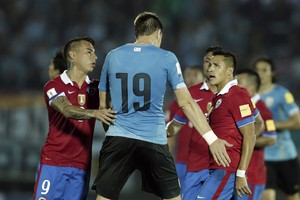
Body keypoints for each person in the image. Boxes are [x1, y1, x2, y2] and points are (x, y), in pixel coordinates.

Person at [92, 12, 231, 200]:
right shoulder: (167, 58)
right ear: (158, 34)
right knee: (173, 197)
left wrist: (113, 130)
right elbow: (186, 102)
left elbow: (103, 105)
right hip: (153, 139)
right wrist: (212, 139)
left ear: (136, 32)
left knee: (104, 197)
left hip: (118, 137)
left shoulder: (112, 56)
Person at [33, 36, 116, 200]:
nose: (95, 57)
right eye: (89, 52)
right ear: (73, 55)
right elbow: (66, 109)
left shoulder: (97, 89)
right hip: (53, 162)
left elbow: (108, 123)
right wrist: (94, 113)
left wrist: (108, 113)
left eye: (95, 53)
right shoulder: (54, 86)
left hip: (81, 167)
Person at [192, 50, 256, 199]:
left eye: (216, 65)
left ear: (229, 71)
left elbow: (250, 135)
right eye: (209, 65)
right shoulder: (219, 98)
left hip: (227, 169)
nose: (210, 69)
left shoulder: (237, 94)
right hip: (218, 168)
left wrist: (241, 173)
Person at [253, 57, 300, 200]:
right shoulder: (248, 95)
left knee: (292, 195)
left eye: (264, 70)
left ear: (272, 73)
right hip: (263, 156)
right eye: (257, 70)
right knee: (267, 196)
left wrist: (270, 126)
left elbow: (297, 122)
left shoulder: (282, 93)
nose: (260, 73)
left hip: (285, 154)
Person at [234, 68, 277, 200]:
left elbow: (271, 139)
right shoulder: (240, 106)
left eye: (239, 82)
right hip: (239, 173)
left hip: (251, 175)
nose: (234, 85)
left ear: (251, 88)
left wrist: (242, 143)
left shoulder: (263, 111)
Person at [165, 65, 204, 192]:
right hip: (182, 161)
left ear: (203, 78)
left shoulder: (210, 101)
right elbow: (171, 136)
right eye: (188, 75)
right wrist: (169, 163)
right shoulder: (175, 105)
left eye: (195, 75)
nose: (191, 79)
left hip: (203, 163)